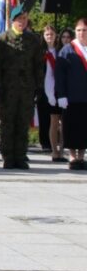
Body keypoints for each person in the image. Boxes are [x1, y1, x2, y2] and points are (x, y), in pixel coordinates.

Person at [0, 5, 44, 169]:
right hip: (8, 89)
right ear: (13, 20)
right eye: (19, 19)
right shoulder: (3, 40)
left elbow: (38, 65)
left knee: (22, 123)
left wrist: (39, 85)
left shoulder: (34, 40)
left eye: (24, 19)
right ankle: (8, 156)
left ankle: (20, 156)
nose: (22, 21)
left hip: (27, 89)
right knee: (8, 123)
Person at [56, 18, 87, 170]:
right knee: (72, 127)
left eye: (85, 30)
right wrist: (61, 95)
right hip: (72, 97)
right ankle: (73, 157)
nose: (82, 33)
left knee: (84, 128)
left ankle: (82, 156)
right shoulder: (67, 50)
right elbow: (60, 75)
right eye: (79, 30)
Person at [40, 24, 64, 161]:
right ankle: (54, 150)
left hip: (60, 90)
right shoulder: (40, 52)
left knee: (63, 121)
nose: (49, 36)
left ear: (56, 36)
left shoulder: (60, 50)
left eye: (52, 34)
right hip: (46, 90)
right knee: (53, 121)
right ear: (43, 36)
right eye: (47, 34)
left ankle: (62, 149)